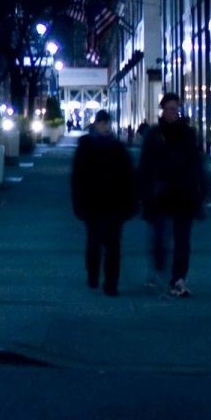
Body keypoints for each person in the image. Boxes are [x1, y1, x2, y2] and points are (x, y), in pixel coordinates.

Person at [138, 92, 210, 297]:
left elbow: (197, 163)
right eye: (169, 109)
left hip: (183, 193)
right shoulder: (154, 134)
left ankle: (178, 278)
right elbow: (145, 165)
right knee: (160, 237)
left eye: (175, 109)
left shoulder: (187, 134)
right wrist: (143, 191)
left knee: (182, 240)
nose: (173, 112)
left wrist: (202, 188)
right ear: (163, 110)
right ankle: (160, 266)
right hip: (161, 194)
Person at [70, 109, 136, 297]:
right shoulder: (86, 146)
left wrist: (130, 202)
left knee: (113, 245)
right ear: (96, 124)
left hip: (114, 204)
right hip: (93, 203)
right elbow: (78, 178)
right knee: (95, 242)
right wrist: (78, 202)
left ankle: (111, 283)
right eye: (102, 123)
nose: (105, 126)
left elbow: (129, 177)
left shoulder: (118, 148)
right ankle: (93, 273)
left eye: (107, 123)